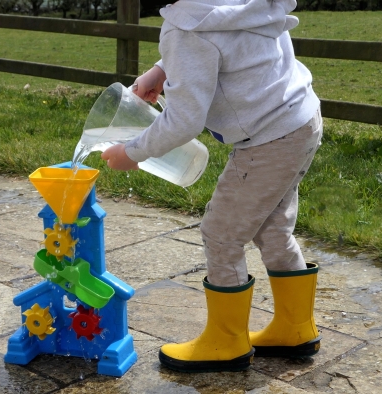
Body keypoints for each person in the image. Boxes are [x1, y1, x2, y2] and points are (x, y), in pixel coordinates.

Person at [101, 0, 323, 373]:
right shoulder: (227, 3)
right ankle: (295, 329)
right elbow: (226, 43)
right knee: (273, 230)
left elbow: (184, 120)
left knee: (221, 235)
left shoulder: (186, 29)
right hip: (300, 120)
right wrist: (163, 69)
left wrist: (133, 152)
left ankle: (227, 341)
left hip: (267, 139)